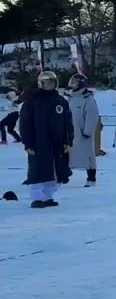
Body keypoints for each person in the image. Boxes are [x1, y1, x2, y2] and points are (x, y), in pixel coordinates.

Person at [21, 72, 71, 208]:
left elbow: (68, 123)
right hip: (39, 143)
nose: (50, 85)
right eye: (47, 82)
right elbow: (25, 123)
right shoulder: (32, 101)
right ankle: (37, 197)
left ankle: (48, 196)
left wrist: (68, 140)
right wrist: (28, 143)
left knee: (55, 170)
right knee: (38, 170)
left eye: (52, 82)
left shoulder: (61, 101)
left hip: (57, 143)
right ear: (41, 84)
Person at [66, 74, 101, 188]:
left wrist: (88, 131)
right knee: (68, 155)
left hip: (82, 134)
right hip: (71, 132)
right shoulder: (70, 98)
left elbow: (92, 115)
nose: (72, 85)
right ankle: (64, 175)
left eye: (75, 82)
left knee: (88, 156)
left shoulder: (88, 99)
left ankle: (91, 178)